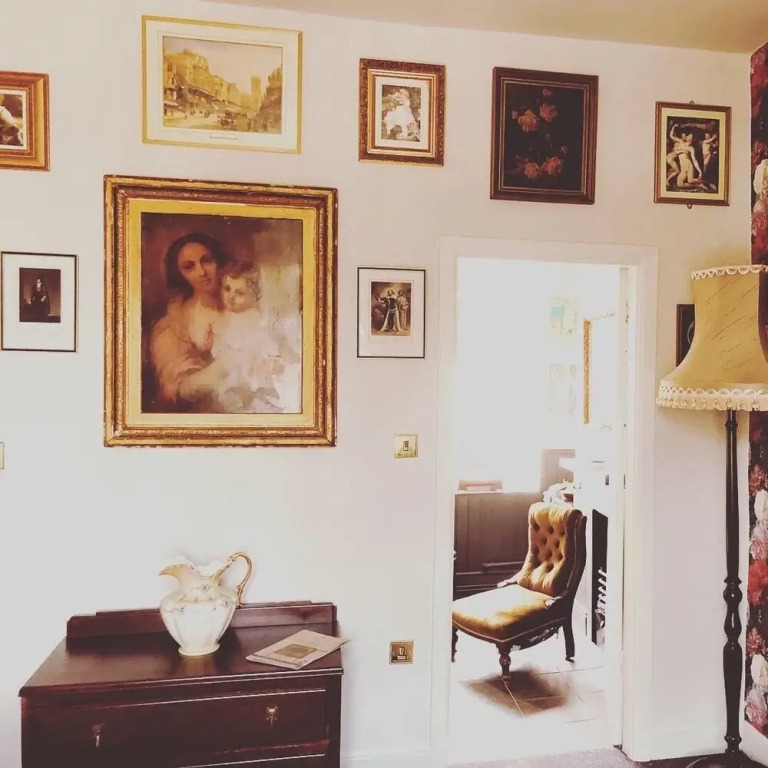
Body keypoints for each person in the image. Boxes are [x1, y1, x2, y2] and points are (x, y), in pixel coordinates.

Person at [149, 232, 234, 412]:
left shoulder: (248, 305)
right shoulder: (174, 324)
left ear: (218, 261)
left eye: (207, 261)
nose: (202, 272)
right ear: (180, 275)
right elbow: (179, 387)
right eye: (189, 267)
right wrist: (227, 366)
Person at [209, 261, 285, 413]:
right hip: (229, 374)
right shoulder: (221, 319)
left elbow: (265, 351)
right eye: (227, 289)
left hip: (251, 373)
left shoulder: (254, 319)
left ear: (254, 297)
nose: (231, 297)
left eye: (240, 293)